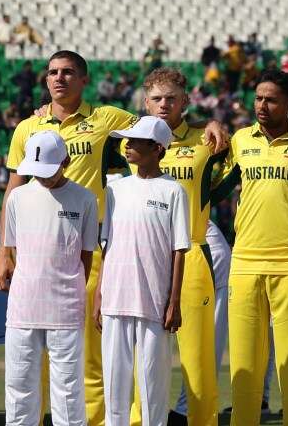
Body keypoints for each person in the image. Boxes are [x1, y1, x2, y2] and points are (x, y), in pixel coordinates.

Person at [5, 52, 227, 426]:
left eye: (69, 72)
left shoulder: (106, 118)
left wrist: (213, 122)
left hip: (92, 250)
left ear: (84, 79)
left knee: (103, 359)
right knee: (66, 359)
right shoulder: (29, 126)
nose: (60, 79)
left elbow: (158, 126)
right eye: (53, 73)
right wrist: (4, 249)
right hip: (52, 252)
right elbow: (15, 185)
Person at [216, 71, 288, 426]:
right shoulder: (240, 140)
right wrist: (212, 125)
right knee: (244, 368)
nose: (262, 106)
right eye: (258, 98)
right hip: (245, 262)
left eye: (271, 100)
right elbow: (215, 181)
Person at [140, 68, 230, 426]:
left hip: (195, 252)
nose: (164, 105)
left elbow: (238, 164)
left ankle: (195, 417)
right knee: (144, 352)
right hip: (144, 255)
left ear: (185, 101)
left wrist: (216, 123)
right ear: (145, 103)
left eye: (171, 98)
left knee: (199, 355)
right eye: (157, 99)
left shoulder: (205, 142)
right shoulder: (127, 141)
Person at [95, 116, 191, 426]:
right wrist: (99, 294)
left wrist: (174, 301)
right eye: (127, 140)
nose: (128, 146)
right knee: (114, 385)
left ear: (158, 149)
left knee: (153, 385)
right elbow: (107, 246)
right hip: (114, 299)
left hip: (154, 301)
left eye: (136, 141)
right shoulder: (115, 189)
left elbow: (179, 250)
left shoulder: (173, 191)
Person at [0, 130, 99, 426]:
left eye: (49, 170)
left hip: (66, 307)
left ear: (66, 161)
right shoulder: (17, 197)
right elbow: (16, 248)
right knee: (18, 388)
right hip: (23, 307)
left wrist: (69, 286)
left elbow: (86, 254)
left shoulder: (85, 199)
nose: (42, 177)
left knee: (68, 391)